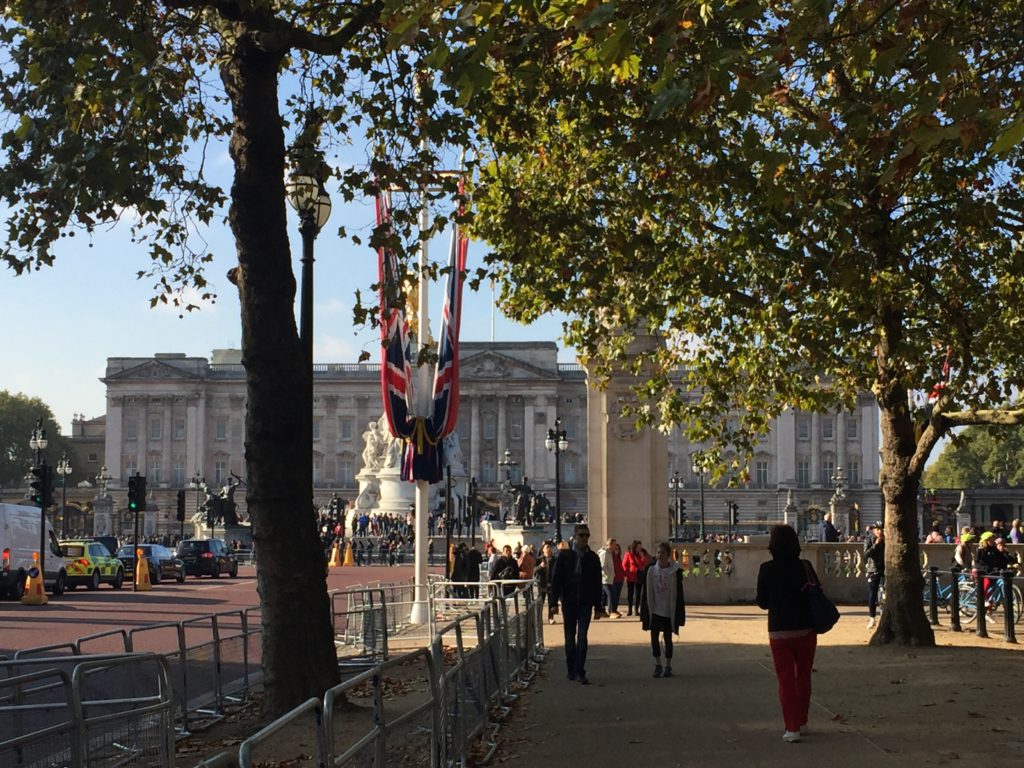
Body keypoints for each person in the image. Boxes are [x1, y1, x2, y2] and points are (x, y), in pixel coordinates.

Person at [756, 524, 818, 743]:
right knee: (803, 676)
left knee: (786, 680)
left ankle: (792, 727)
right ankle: (802, 720)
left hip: (780, 629)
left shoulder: (766, 569)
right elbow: (817, 593)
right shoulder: (806, 566)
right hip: (806, 628)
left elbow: (762, 603)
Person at [550, 523, 603, 684]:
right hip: (569, 602)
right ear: (574, 537)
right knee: (569, 638)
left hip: (585, 602)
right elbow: (556, 580)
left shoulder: (593, 558)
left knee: (582, 637)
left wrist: (598, 606)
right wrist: (553, 603)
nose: (585, 539)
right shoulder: (564, 556)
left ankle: (580, 670)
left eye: (587, 535)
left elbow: (597, 583)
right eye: (582, 535)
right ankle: (570, 668)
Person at [640, 542, 686, 678]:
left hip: (668, 610)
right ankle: (658, 664)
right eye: (658, 552)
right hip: (655, 610)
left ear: (668, 555)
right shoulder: (651, 570)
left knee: (668, 638)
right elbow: (646, 592)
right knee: (654, 637)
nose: (660, 556)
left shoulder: (675, 572)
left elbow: (679, 595)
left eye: (663, 553)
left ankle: (668, 665)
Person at [864, 523, 885, 629]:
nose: (880, 531)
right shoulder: (869, 540)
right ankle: (872, 617)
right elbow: (866, 554)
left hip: (885, 569)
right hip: (873, 570)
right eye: (878, 529)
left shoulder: (886, 540)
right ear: (873, 530)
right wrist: (876, 544)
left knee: (886, 593)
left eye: (881, 529)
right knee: (872, 594)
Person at [622, 540, 644, 617]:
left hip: (639, 577)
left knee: (638, 594)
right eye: (638, 547)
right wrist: (627, 574)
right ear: (635, 547)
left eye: (640, 547)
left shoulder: (640, 555)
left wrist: (642, 558)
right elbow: (624, 565)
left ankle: (636, 610)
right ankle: (630, 609)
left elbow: (643, 566)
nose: (639, 549)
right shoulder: (628, 554)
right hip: (631, 576)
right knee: (630, 594)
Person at [597, 538, 617, 619]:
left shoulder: (610, 553)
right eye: (614, 544)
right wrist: (607, 574)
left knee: (604, 595)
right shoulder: (605, 553)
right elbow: (602, 565)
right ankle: (611, 611)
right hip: (605, 578)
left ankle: (601, 611)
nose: (615, 546)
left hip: (609, 578)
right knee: (610, 594)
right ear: (610, 544)